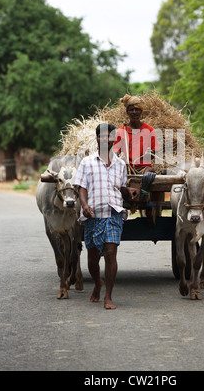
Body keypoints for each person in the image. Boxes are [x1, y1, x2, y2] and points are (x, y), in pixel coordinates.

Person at [74, 123, 139, 310]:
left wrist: (128, 191)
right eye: (101, 136)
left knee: (111, 253)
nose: (105, 139)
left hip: (113, 213)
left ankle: (108, 297)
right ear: (97, 139)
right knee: (93, 259)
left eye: (109, 136)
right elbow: (82, 187)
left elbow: (119, 187)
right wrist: (85, 205)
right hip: (93, 214)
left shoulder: (120, 164)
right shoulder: (87, 162)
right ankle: (97, 283)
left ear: (114, 139)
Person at [113, 94, 159, 173]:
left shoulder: (149, 130)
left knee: (149, 173)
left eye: (137, 109)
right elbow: (115, 152)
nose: (134, 112)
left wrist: (149, 154)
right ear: (127, 112)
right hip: (125, 168)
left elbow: (155, 151)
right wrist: (119, 157)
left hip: (144, 168)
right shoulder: (121, 131)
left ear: (141, 111)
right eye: (131, 110)